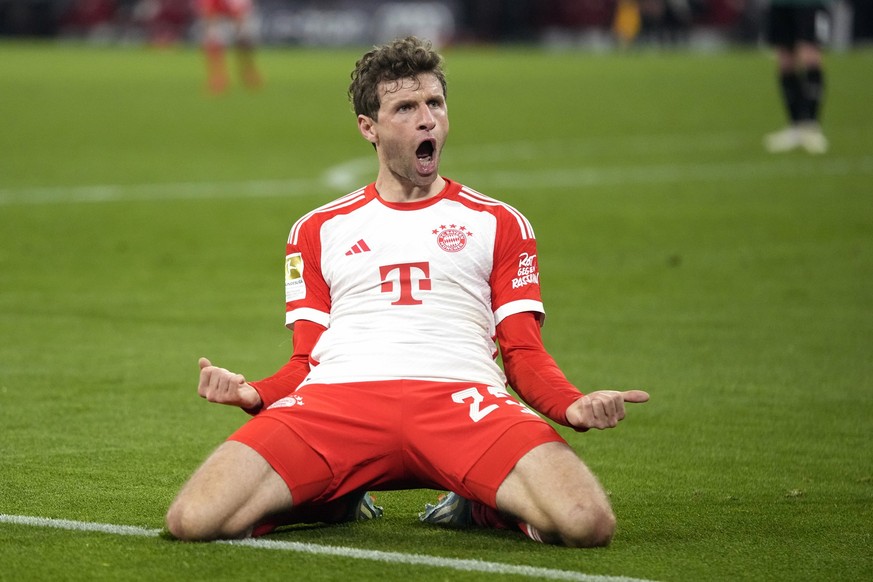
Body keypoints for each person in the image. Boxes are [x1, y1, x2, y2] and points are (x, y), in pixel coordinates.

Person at [165, 36, 650, 548]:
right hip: (339, 401)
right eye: (405, 108)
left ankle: (483, 507)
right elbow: (306, 362)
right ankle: (329, 502)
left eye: (434, 104)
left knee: (585, 523)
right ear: (368, 128)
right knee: (193, 521)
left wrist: (571, 406)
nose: (427, 120)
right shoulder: (315, 230)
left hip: (462, 400)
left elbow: (523, 351)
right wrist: (253, 393)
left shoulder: (499, 222)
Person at [763, 0, 832, 154]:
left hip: (809, 4)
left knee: (810, 56)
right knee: (785, 62)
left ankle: (811, 126)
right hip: (781, 5)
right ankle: (795, 127)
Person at [196, 0, 262, 94]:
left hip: (239, 17)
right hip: (219, 18)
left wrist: (239, 29)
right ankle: (218, 76)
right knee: (213, 41)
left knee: (245, 42)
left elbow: (241, 12)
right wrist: (210, 29)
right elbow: (208, 13)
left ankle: (248, 71)